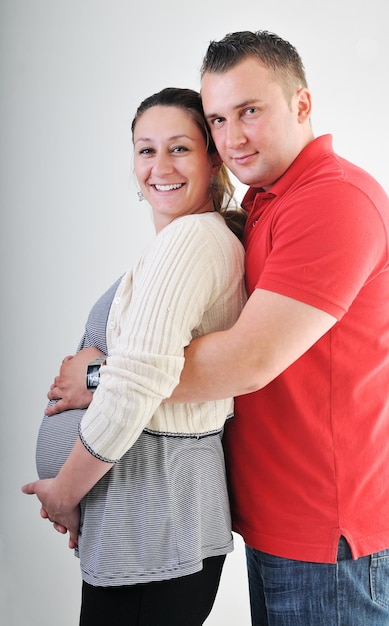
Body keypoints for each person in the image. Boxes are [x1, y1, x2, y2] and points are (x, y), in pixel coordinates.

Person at [34, 31, 389, 626]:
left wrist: (97, 376)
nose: (233, 136)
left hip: (328, 534)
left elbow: (248, 360)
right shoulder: (266, 204)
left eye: (251, 111)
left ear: (302, 105)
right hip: (278, 521)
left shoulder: (332, 202)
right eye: (217, 118)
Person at [23, 87, 247, 626]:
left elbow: (137, 382)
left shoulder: (192, 239)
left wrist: (64, 492)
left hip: (153, 519)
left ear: (213, 157)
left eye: (179, 148)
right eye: (145, 150)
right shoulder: (184, 241)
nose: (159, 166)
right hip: (145, 520)